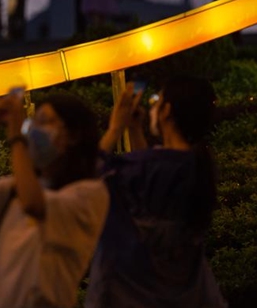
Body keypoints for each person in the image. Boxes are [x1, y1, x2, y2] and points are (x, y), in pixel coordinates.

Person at [0, 90, 109, 308]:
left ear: (74, 135)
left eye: (46, 122)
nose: (35, 132)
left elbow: (33, 204)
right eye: (33, 124)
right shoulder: (14, 188)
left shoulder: (90, 194)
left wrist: (16, 137)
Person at [86, 76, 228, 308]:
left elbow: (86, 180)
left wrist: (115, 128)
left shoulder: (141, 168)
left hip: (130, 295)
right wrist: (134, 130)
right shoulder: (199, 166)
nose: (151, 107)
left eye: (156, 100)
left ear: (167, 111)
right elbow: (148, 188)